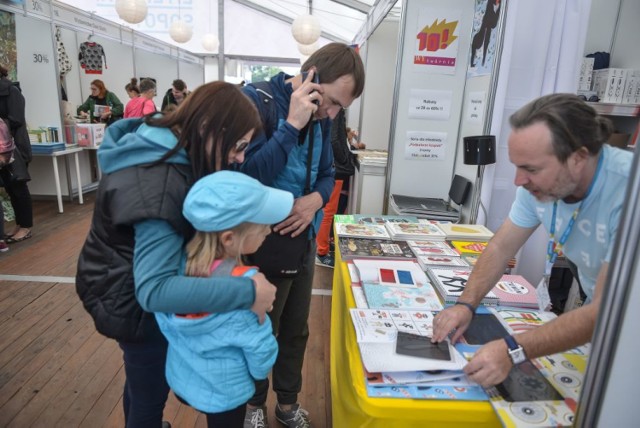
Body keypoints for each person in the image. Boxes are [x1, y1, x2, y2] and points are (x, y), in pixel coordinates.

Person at [75, 81, 277, 428]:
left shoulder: (163, 149)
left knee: (142, 387)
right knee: (148, 391)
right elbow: (154, 290)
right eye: (239, 146)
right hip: (131, 302)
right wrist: (249, 292)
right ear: (208, 129)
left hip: (118, 282)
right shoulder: (161, 182)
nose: (240, 157)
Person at [432, 93, 633, 387]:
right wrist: (466, 304)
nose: (518, 181)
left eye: (531, 169)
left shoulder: (629, 192)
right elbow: (502, 246)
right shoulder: (536, 187)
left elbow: (604, 310)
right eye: (516, 166)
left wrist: (514, 348)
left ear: (578, 157)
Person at [239, 42, 365, 428]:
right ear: (310, 78)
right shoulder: (256, 101)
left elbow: (329, 173)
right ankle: (253, 404)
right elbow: (247, 178)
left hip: (303, 239)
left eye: (340, 108)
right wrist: (292, 125)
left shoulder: (326, 119)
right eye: (329, 102)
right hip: (259, 242)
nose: (330, 114)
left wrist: (314, 201)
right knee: (260, 328)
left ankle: (287, 403)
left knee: (296, 328)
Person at [156, 170, 294, 428]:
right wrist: (259, 374)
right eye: (262, 224)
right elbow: (260, 348)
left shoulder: (173, 273)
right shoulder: (249, 286)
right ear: (229, 238)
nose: (268, 229)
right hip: (227, 391)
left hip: (185, 380)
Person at [315, 109, 360, 268]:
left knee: (330, 210)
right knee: (329, 211)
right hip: (337, 167)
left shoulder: (334, 109)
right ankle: (321, 252)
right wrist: (345, 159)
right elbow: (335, 140)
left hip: (335, 166)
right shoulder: (337, 110)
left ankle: (324, 245)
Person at [0, 65, 34, 245]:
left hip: (15, 147)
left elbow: (17, 119)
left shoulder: (12, 91)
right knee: (10, 189)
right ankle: (20, 224)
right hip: (3, 147)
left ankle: (26, 226)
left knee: (18, 186)